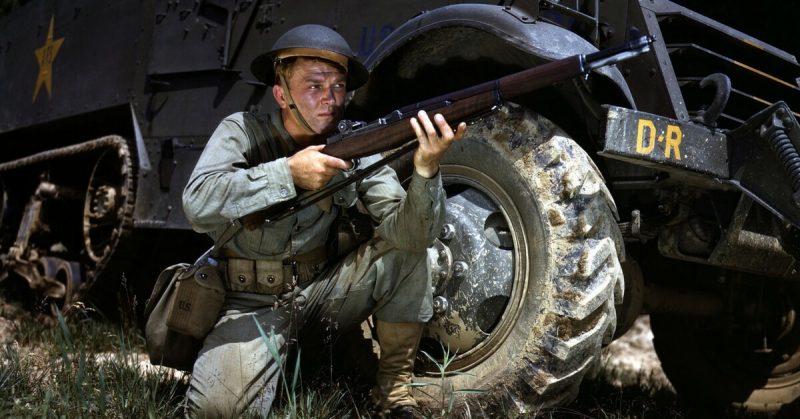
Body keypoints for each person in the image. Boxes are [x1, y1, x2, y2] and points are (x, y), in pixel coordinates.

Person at [181, 24, 466, 418]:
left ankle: (393, 395)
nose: (329, 100)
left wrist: (425, 170)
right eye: (314, 86)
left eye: (337, 87)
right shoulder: (242, 132)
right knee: (218, 411)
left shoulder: (357, 145)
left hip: (326, 294)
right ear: (281, 94)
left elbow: (412, 233)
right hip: (250, 304)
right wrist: (288, 174)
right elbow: (197, 203)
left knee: (407, 251)